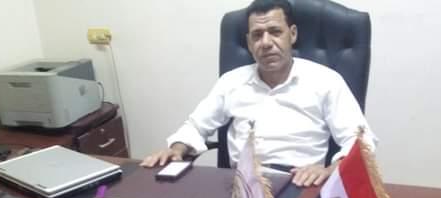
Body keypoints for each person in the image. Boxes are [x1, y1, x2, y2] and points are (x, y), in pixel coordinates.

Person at [141, 0, 377, 187]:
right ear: (248, 42)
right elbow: (195, 126)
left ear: (292, 34)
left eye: (275, 31)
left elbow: (361, 140)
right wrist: (176, 149)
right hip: (239, 186)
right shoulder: (231, 82)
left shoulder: (325, 81)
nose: (265, 42)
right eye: (257, 34)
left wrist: (330, 170)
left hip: (299, 183)